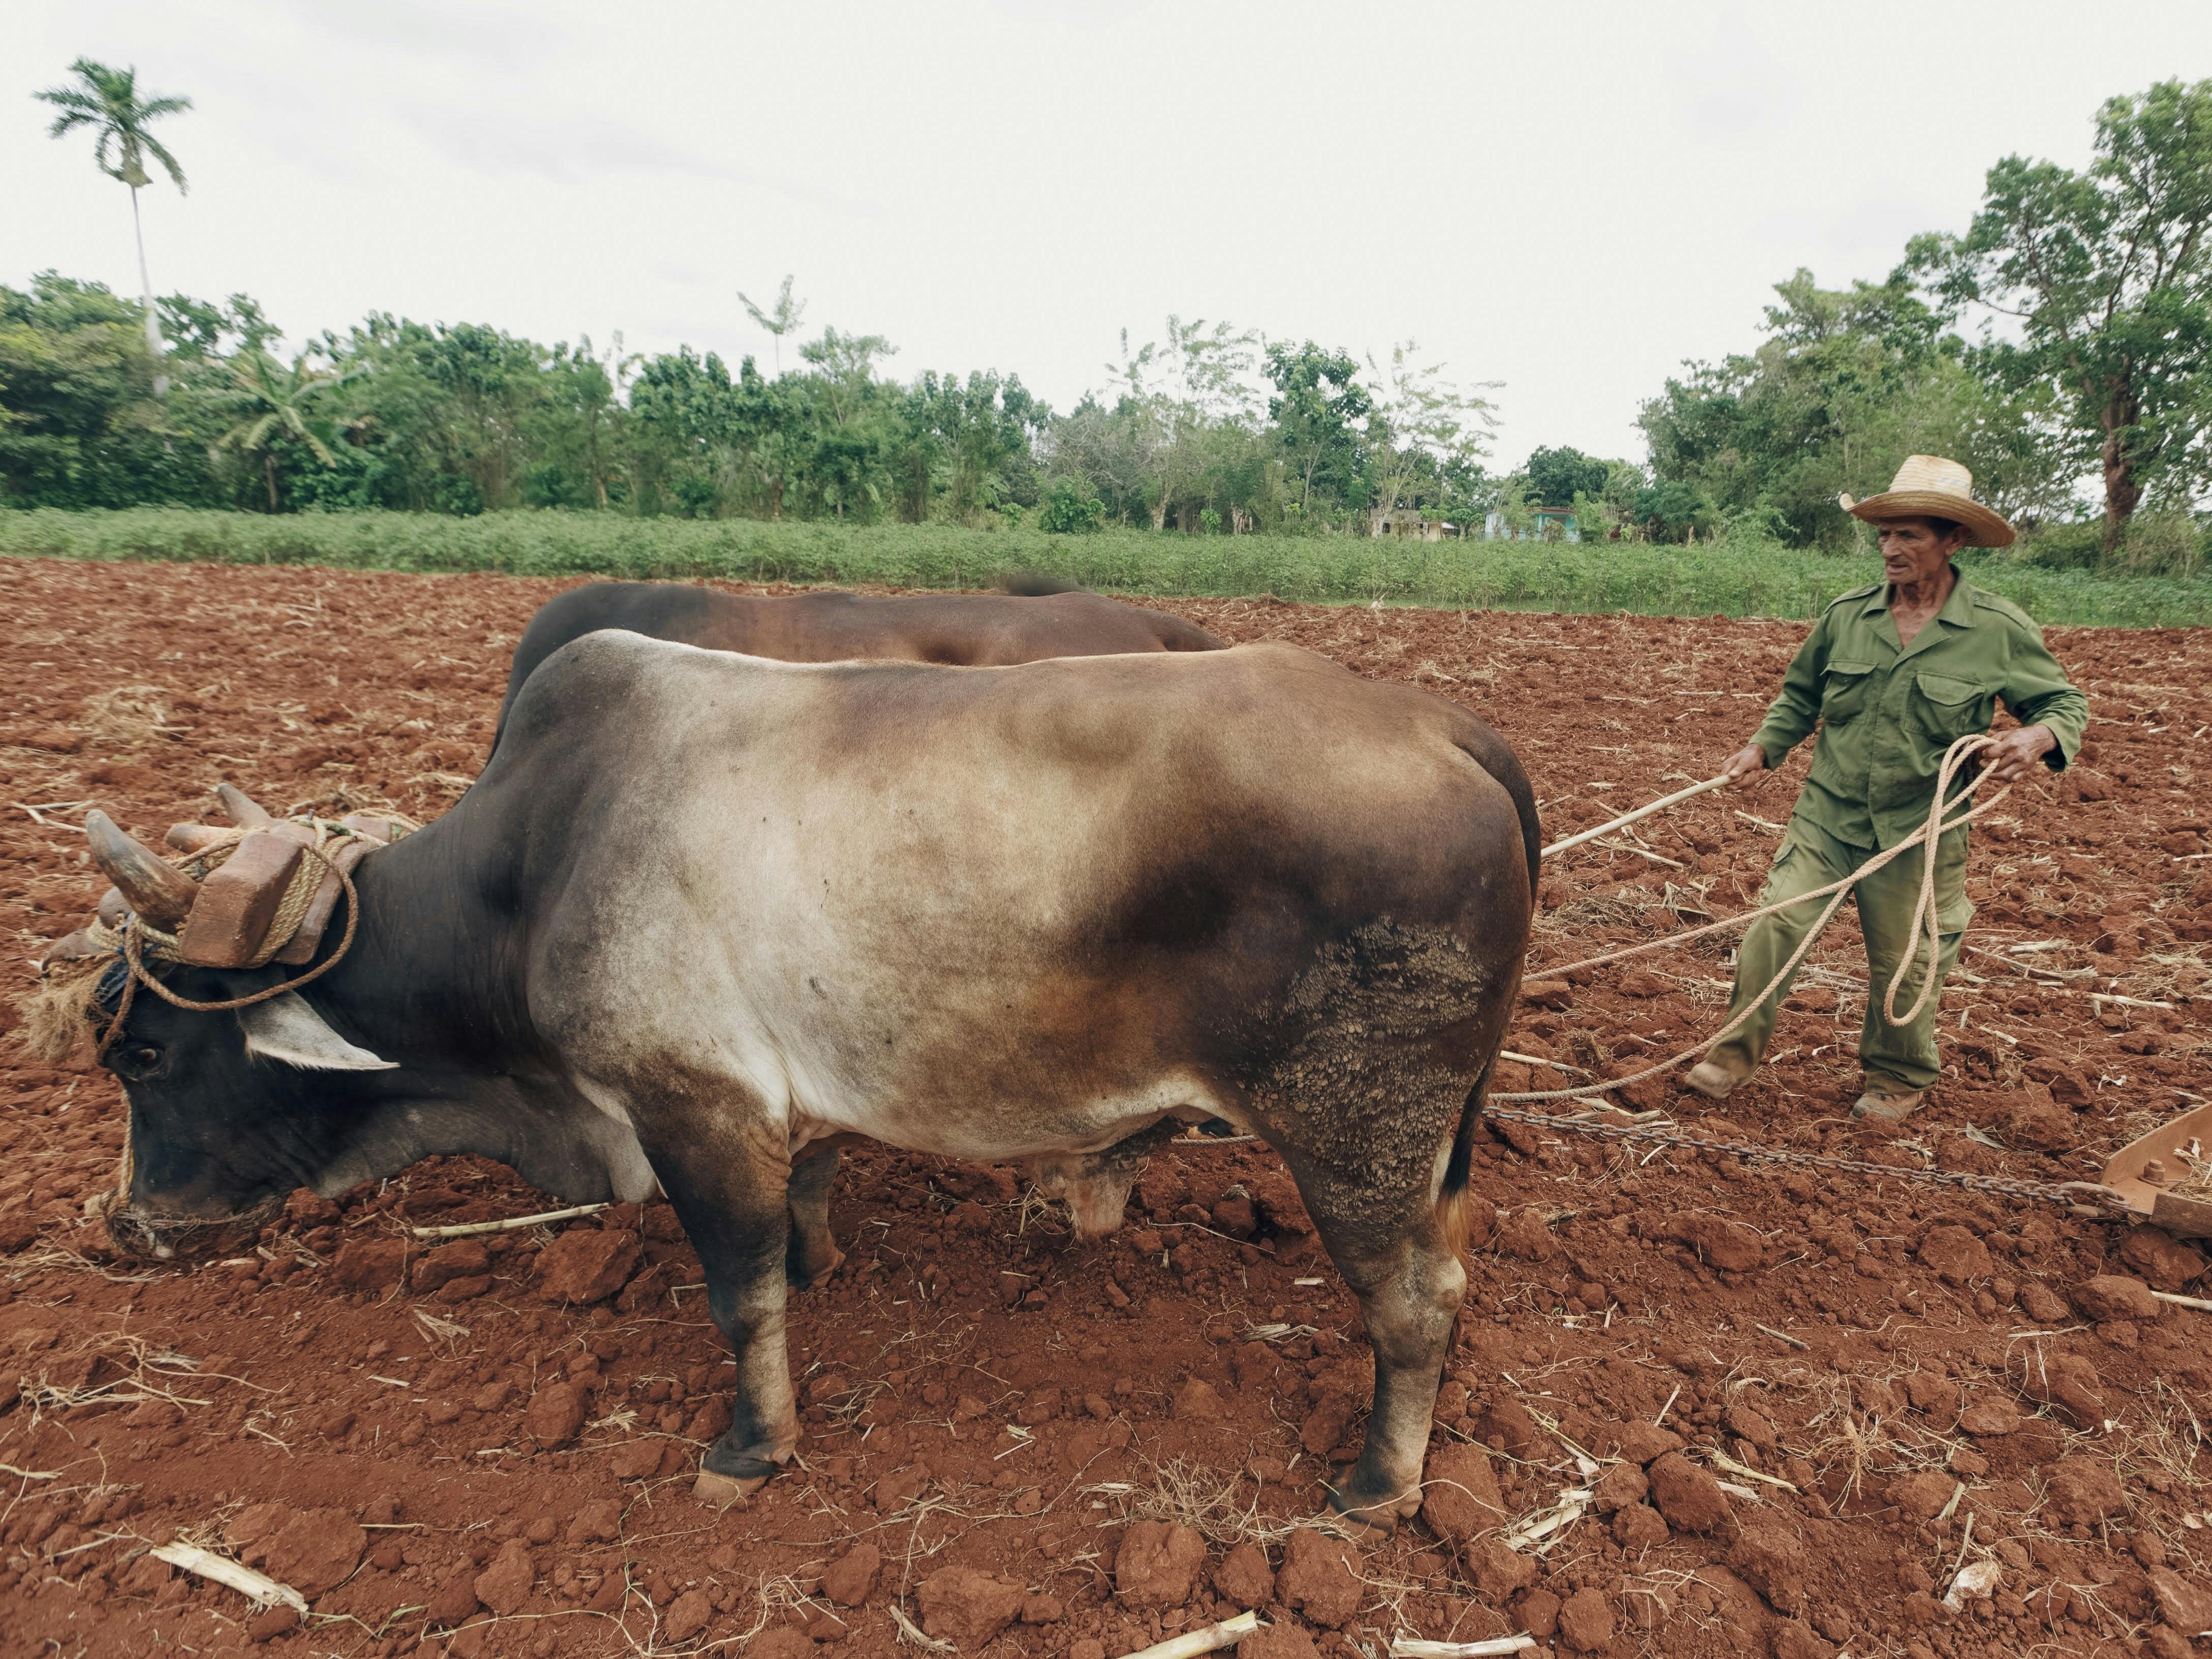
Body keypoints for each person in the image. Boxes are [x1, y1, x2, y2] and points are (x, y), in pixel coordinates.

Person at [1683, 456, 2090, 1121]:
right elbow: (1801, 694)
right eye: (1884, 536)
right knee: (1773, 927)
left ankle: (1898, 1076)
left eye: (1909, 536)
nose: (1891, 549)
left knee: (1908, 960)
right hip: (1829, 815)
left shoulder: (1996, 628)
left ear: (1952, 540)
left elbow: (2063, 704)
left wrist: (2035, 737)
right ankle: (1730, 1056)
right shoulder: (1848, 616)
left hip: (1919, 828)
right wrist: (1764, 746)